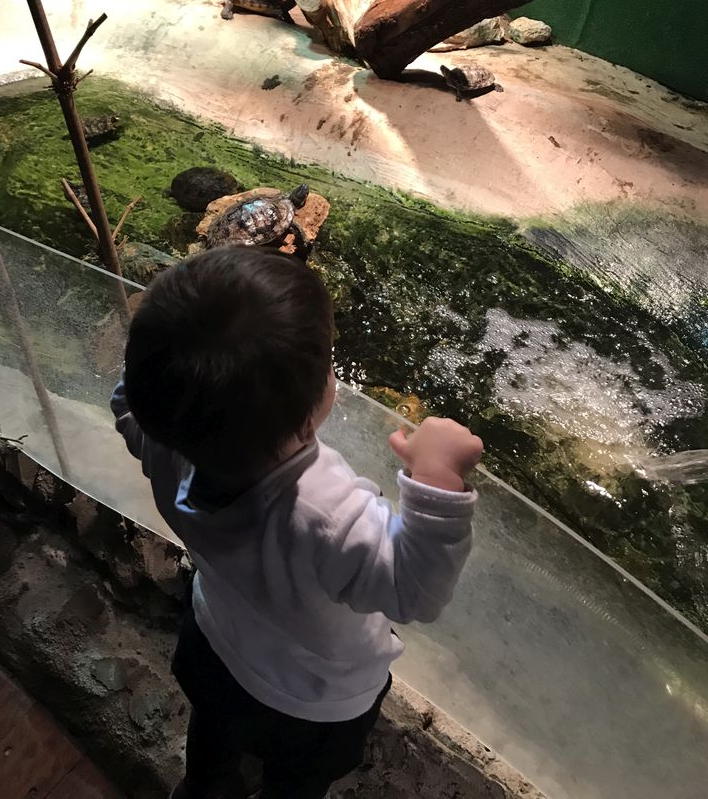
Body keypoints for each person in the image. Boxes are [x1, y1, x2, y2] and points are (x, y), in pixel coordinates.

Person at [111, 247, 481, 799]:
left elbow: (127, 400)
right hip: (318, 703)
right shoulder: (324, 513)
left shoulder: (161, 439)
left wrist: (172, 376)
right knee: (295, 786)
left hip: (216, 645)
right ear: (310, 415)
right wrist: (437, 477)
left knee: (212, 746)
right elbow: (414, 590)